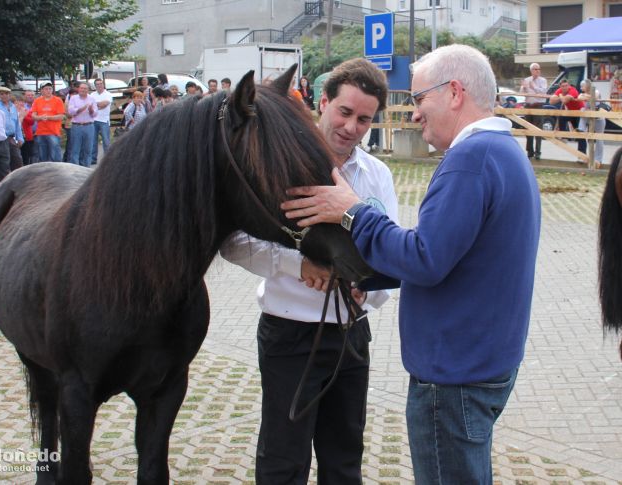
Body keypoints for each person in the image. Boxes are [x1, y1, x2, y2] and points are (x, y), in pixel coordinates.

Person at [281, 44, 541, 484]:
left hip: (455, 373)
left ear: (454, 92)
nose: (415, 114)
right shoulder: (504, 151)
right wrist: (363, 272)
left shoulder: (470, 160)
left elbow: (425, 258)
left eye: (420, 99)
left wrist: (353, 211)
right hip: (482, 363)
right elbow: (448, 256)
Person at [220, 58, 398, 484]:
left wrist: (367, 291)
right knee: (284, 461)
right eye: (344, 111)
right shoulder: (278, 162)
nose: (351, 126)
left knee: (344, 461)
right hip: (290, 334)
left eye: (364, 119)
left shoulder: (377, 175)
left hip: (352, 336)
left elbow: (390, 252)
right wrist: (297, 265)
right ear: (323, 102)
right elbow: (231, 241)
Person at [519, 63, 548, 159]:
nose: (538, 71)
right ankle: (529, 151)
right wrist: (523, 87)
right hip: (528, 106)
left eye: (539, 69)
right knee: (528, 129)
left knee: (538, 130)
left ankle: (538, 152)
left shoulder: (543, 80)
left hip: (538, 106)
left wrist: (533, 87)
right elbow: (521, 94)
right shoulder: (527, 80)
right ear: (531, 70)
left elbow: (543, 92)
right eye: (535, 69)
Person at [31, 82, 65, 162]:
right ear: (41, 90)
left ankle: (57, 172)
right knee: (43, 157)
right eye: (46, 89)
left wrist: (49, 117)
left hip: (53, 132)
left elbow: (61, 116)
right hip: (41, 132)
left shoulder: (58, 100)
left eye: (50, 89)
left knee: (55, 156)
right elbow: (33, 115)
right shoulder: (37, 101)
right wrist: (40, 117)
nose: (48, 91)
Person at [550, 79, 586, 154]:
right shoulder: (559, 91)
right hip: (570, 112)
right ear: (560, 86)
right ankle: (564, 136)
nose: (565, 87)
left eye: (566, 85)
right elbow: (551, 101)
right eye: (563, 86)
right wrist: (560, 96)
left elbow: (565, 100)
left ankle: (582, 153)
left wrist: (560, 96)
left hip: (579, 112)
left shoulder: (573, 90)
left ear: (569, 86)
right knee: (561, 117)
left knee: (580, 133)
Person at [66, 81, 97, 167]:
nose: (83, 90)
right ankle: (75, 169)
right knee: (75, 149)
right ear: (78, 89)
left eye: (85, 88)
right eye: (82, 88)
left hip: (89, 126)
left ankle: (86, 168)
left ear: (88, 90)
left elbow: (95, 114)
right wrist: (81, 109)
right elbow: (71, 111)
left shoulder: (92, 99)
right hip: (77, 126)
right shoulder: (73, 98)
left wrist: (91, 110)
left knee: (88, 149)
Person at [578, 78, 606, 168]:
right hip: (590, 117)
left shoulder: (596, 90)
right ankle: (581, 128)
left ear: (587, 86)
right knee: (582, 110)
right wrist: (585, 96)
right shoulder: (583, 93)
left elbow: (595, 97)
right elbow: (579, 98)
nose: (581, 88)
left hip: (599, 118)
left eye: (582, 86)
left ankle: (598, 159)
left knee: (599, 138)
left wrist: (585, 96)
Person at [0, 87, 24, 171]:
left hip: (12, 138)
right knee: (3, 163)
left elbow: (16, 124)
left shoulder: (13, 107)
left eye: (6, 94)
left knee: (17, 160)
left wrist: (20, 137)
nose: (4, 96)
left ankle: (17, 182)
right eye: (2, 94)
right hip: (2, 138)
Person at [90, 79, 113, 165]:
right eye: (97, 84)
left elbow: (105, 104)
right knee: (93, 141)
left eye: (101, 84)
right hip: (93, 120)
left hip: (104, 120)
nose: (99, 85)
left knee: (106, 141)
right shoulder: (92, 94)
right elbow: (91, 105)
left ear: (103, 84)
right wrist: (98, 105)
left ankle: (107, 160)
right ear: (95, 86)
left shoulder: (108, 94)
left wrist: (96, 105)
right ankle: (93, 159)